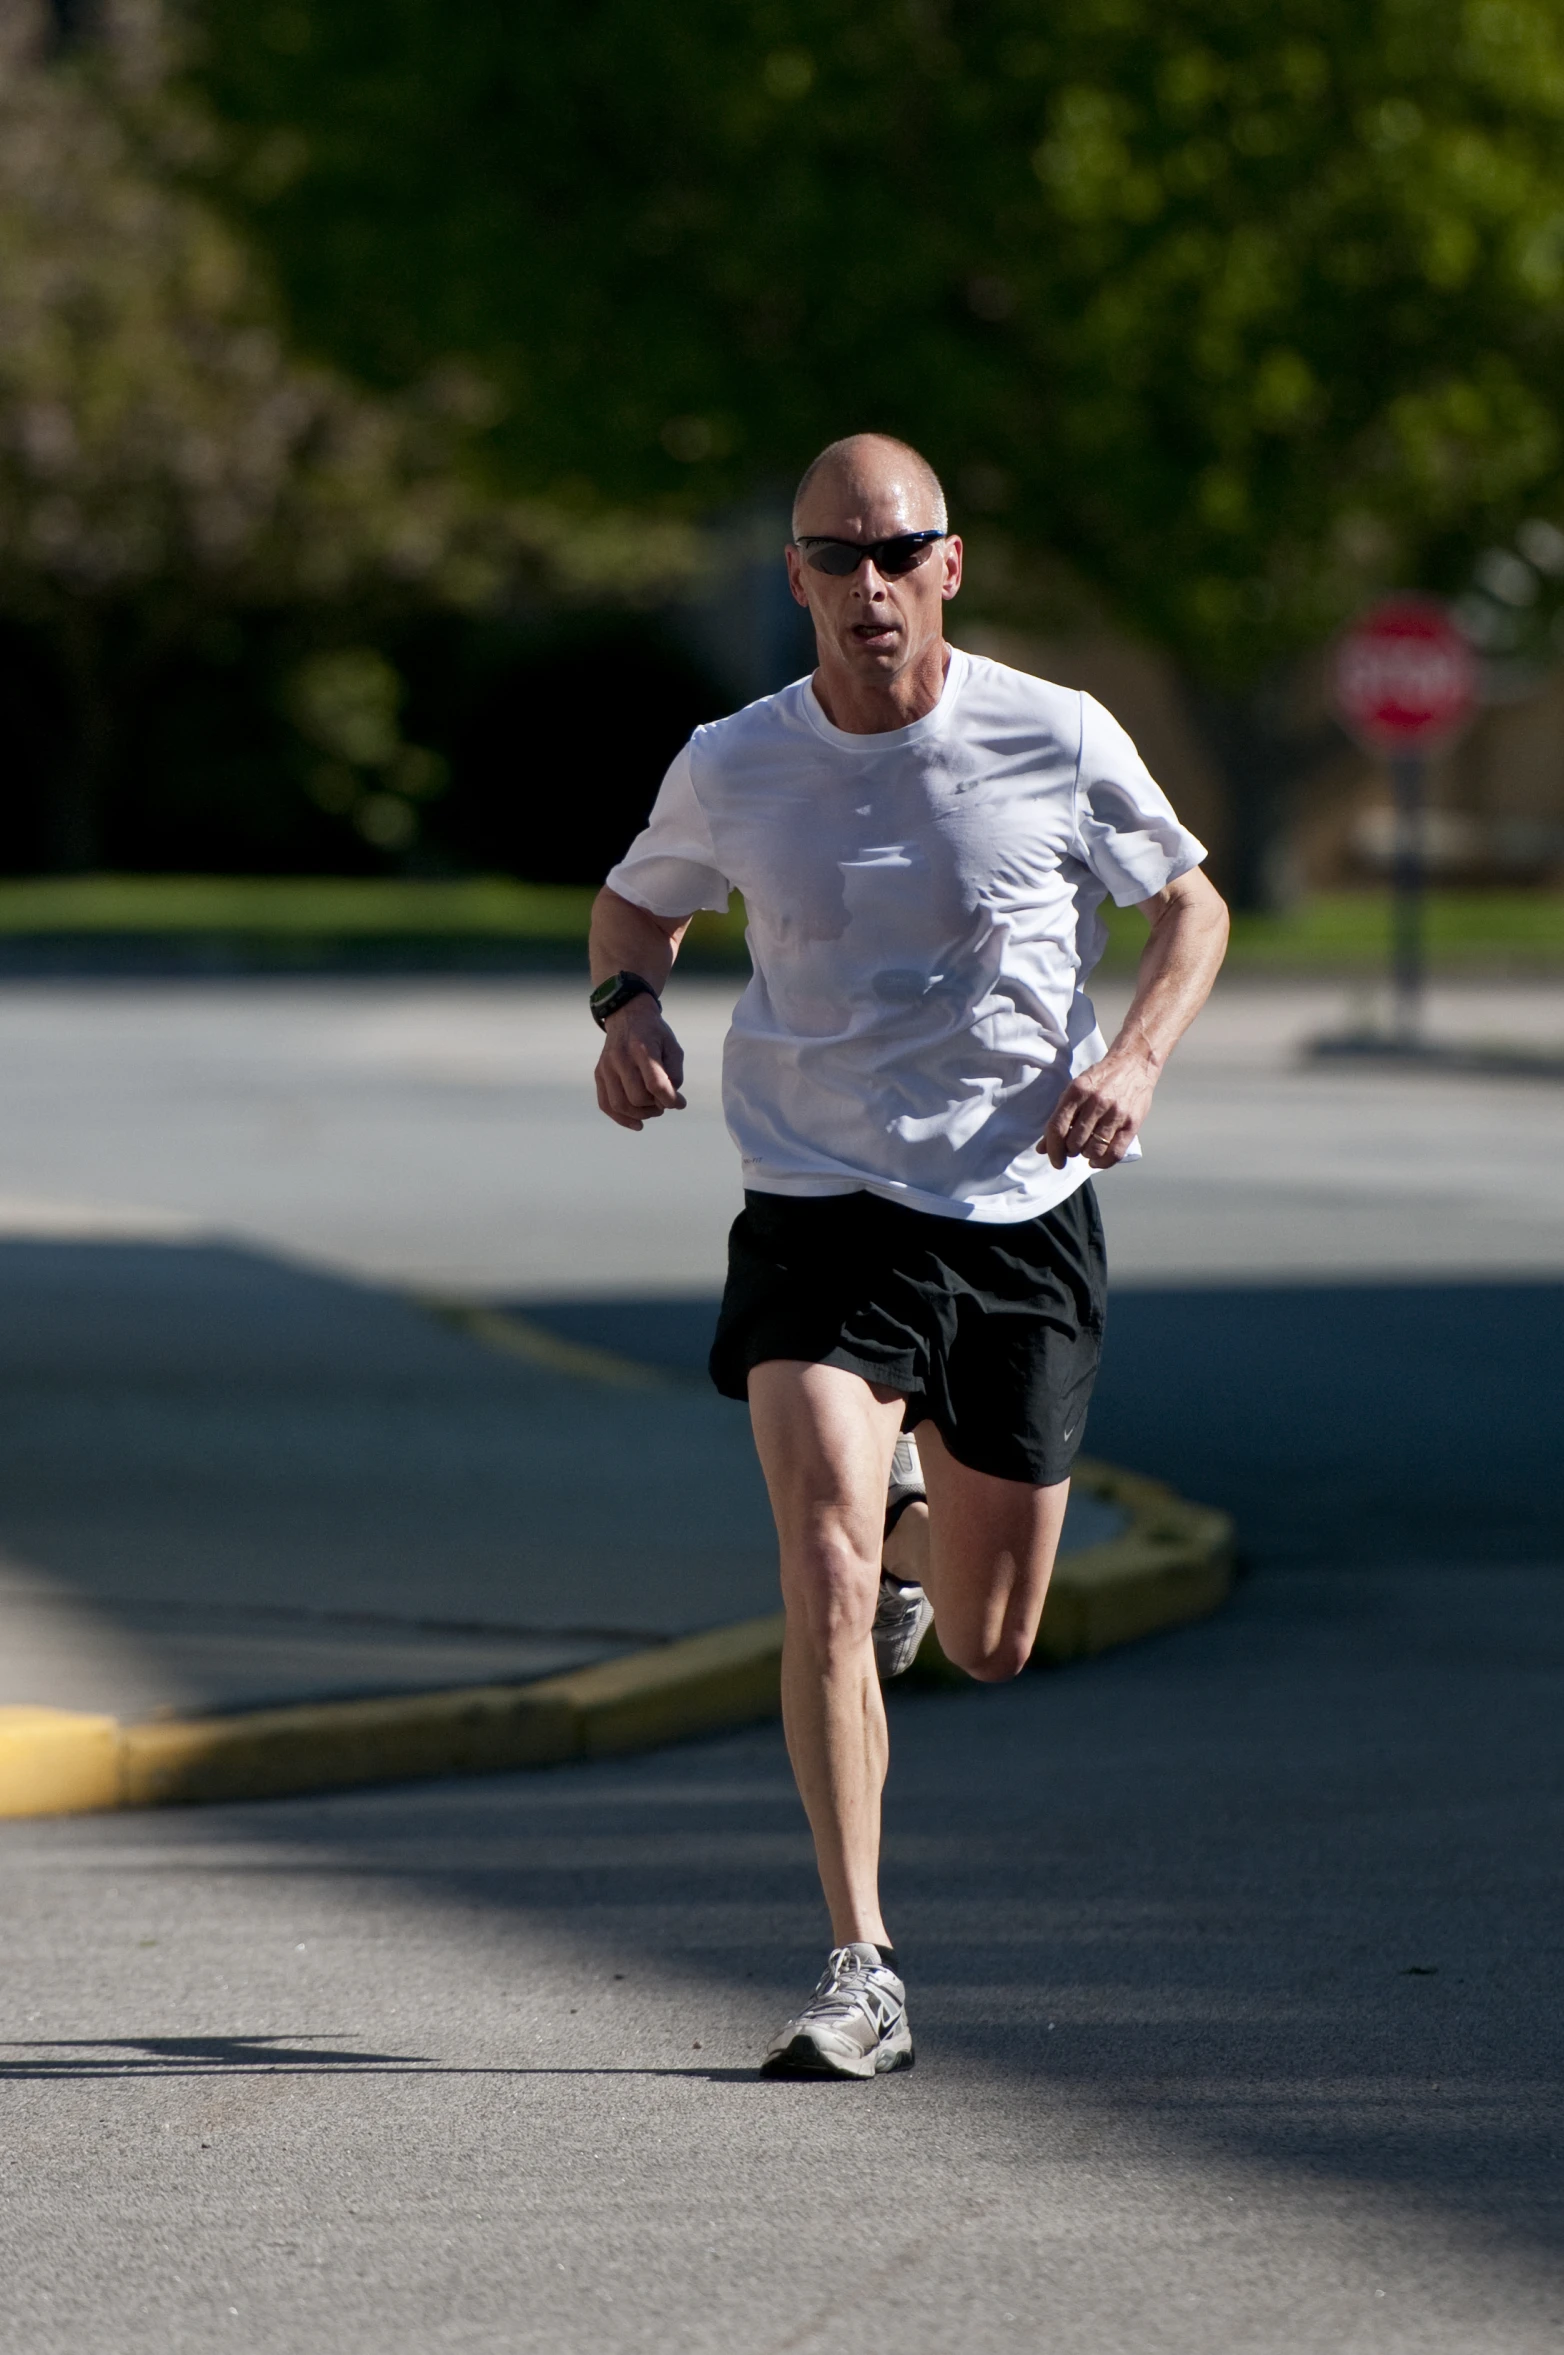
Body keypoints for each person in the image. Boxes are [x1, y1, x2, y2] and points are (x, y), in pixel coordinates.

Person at [588, 433, 1229, 2079]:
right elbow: (635, 908)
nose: (867, 586)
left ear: (951, 561)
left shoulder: (1057, 733)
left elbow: (1194, 909)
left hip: (1021, 1214)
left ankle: (913, 1543)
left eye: (898, 552)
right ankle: (860, 1963)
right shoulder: (736, 761)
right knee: (812, 1547)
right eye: (833, 558)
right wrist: (626, 1006)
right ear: (793, 577)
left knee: (998, 1636)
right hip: (818, 1202)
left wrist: (1137, 1058)